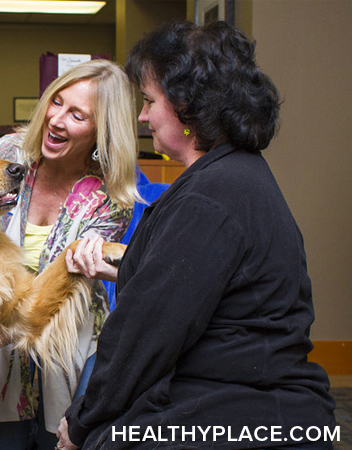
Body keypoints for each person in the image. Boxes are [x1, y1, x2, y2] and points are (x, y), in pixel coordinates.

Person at [57, 21, 336, 450]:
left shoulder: (211, 196)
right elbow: (190, 280)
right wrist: (122, 268)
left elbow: (143, 336)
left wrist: (78, 425)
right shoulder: (235, 174)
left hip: (246, 413)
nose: (142, 115)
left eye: (150, 101)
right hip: (257, 401)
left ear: (187, 105)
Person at [0, 59, 139, 450]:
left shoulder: (109, 199)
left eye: (77, 115)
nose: (56, 120)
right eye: (56, 102)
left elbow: (56, 293)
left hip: (66, 342)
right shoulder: (6, 154)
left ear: (101, 130)